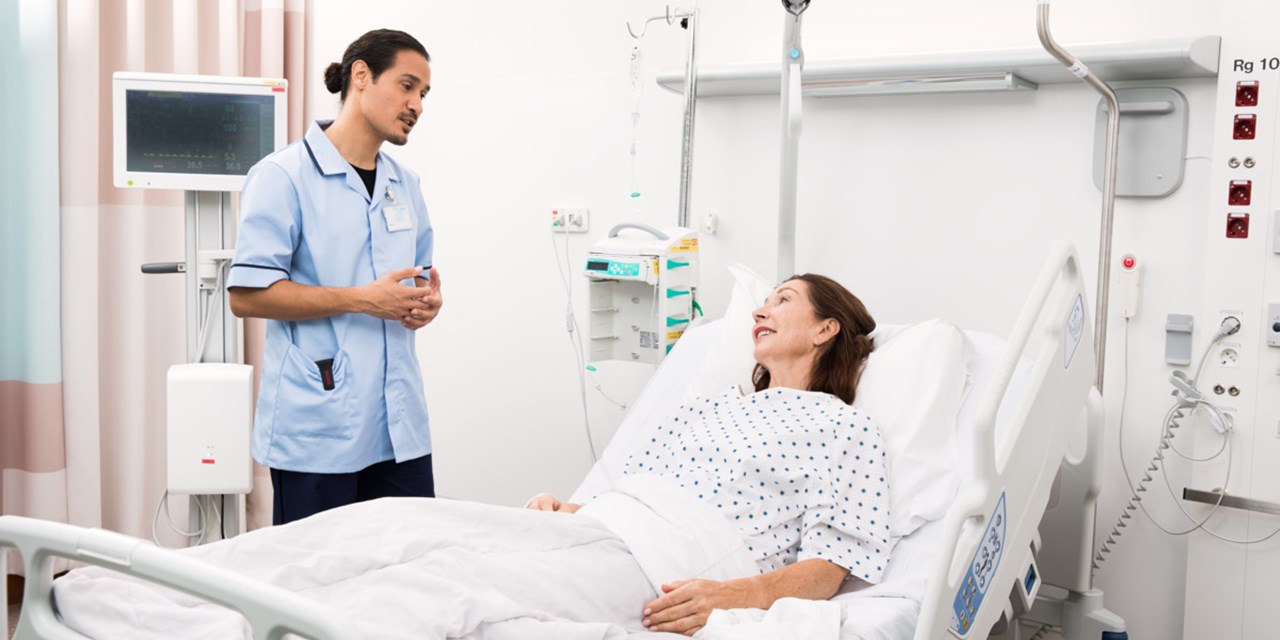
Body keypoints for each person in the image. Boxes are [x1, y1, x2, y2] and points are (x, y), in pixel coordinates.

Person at [526, 273, 890, 637]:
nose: (759, 313)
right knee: (485, 551)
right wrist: (563, 511)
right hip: (610, 531)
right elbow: (631, 491)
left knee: (492, 584)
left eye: (783, 300)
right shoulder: (708, 407)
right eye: (764, 302)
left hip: (674, 563)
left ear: (825, 329)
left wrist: (737, 595)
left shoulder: (844, 426)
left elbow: (831, 563)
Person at [227, 29, 442, 525]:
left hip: (398, 425)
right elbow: (247, 295)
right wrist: (364, 299)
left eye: (424, 94)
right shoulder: (283, 176)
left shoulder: (403, 183)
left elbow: (421, 275)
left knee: (411, 569)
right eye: (407, 86)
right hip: (319, 426)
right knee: (316, 583)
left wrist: (428, 301)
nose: (417, 105)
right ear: (361, 76)